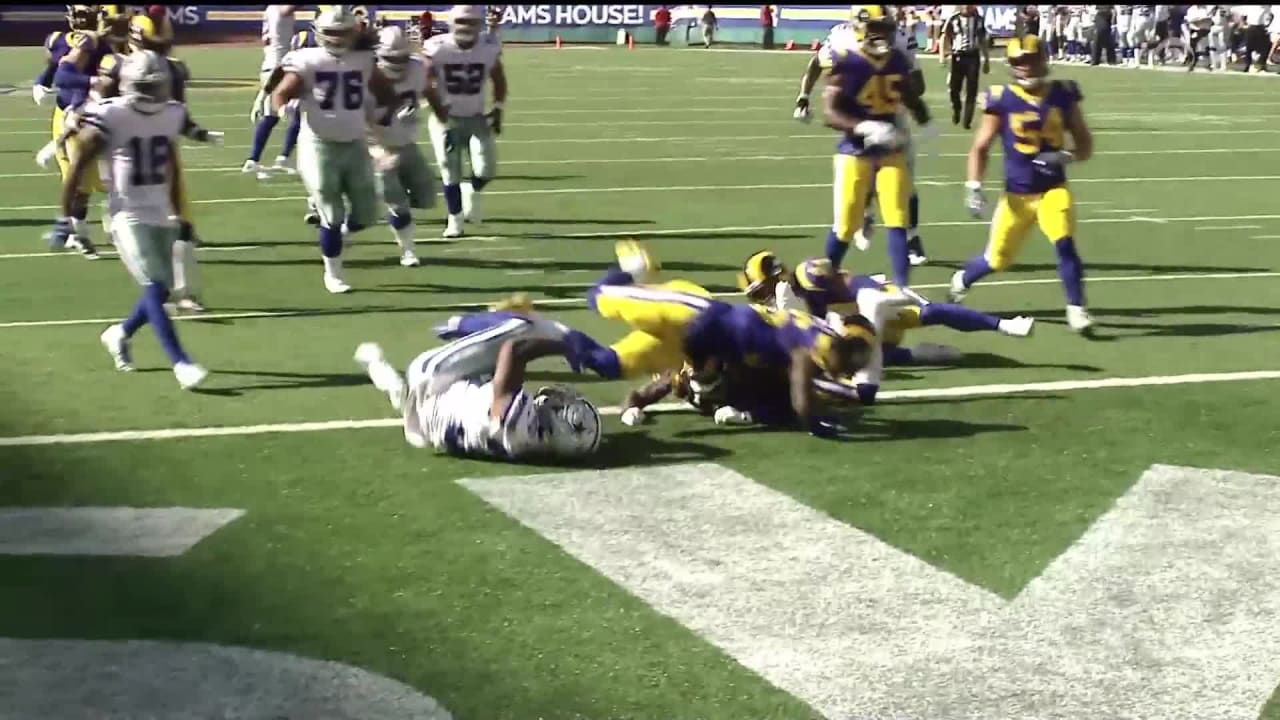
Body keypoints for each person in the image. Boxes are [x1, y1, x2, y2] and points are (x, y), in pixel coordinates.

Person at [66, 51, 209, 388]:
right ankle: (181, 362)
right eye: (145, 85)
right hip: (126, 213)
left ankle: (119, 333)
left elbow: (171, 165)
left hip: (159, 209)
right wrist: (64, 217)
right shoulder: (112, 113)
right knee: (155, 285)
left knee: (160, 292)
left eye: (155, 85)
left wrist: (178, 210)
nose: (151, 92)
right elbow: (79, 157)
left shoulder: (172, 113)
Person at [271, 6, 427, 294]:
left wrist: (384, 116)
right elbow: (280, 92)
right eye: (331, 32)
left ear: (353, 33)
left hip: (355, 143)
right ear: (320, 32)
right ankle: (334, 273)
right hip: (319, 143)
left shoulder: (364, 60)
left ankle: (341, 239)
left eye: (342, 32)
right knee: (331, 210)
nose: (336, 38)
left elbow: (386, 94)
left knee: (367, 213)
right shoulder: (308, 59)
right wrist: (284, 109)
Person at [952, 35, 1095, 336]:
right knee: (996, 259)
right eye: (1019, 62)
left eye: (1031, 60)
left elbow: (1085, 144)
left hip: (1053, 190)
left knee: (1064, 242)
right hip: (1016, 196)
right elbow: (980, 146)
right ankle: (963, 279)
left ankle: (1076, 307)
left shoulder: (1063, 93)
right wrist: (973, 185)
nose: (1026, 67)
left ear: (1043, 59)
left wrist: (1064, 156)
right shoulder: (1001, 97)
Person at [354, 323, 602, 461]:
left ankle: (461, 322)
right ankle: (380, 369)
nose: (560, 401)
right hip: (434, 422)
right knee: (409, 398)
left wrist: (565, 345)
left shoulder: (519, 427)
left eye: (564, 409)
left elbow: (513, 349)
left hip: (433, 377)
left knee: (523, 327)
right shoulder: (533, 443)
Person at [423, 5, 507, 238]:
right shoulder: (438, 47)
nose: (465, 27)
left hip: (476, 116)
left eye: (470, 22)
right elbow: (426, 79)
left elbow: (498, 78)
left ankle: (472, 189)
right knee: (450, 171)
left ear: (478, 24)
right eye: (461, 22)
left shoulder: (488, 46)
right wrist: (438, 108)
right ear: (452, 23)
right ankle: (455, 219)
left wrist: (498, 108)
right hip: (446, 119)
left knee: (487, 169)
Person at [369, 25, 434, 268]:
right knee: (397, 202)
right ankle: (408, 251)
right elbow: (355, 118)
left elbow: (428, 90)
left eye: (401, 57)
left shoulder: (417, 67)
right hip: (375, 146)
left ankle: (348, 226)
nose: (397, 62)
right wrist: (375, 150)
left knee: (426, 195)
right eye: (391, 57)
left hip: (406, 142)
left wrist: (441, 113)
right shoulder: (366, 74)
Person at [245, 4, 297, 179]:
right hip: (278, 67)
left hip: (275, 65)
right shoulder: (278, 10)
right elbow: (286, 10)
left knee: (276, 116)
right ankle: (262, 159)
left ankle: (260, 159)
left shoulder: (270, 9)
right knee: (293, 114)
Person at [940, 5, 989, 129]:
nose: (966, 7)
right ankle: (957, 108)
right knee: (954, 88)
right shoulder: (953, 19)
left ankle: (967, 120)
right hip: (958, 56)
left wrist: (986, 59)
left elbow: (982, 39)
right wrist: (942, 55)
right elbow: (944, 36)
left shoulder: (978, 19)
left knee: (971, 89)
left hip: (973, 56)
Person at [1242, 4, 1272, 72]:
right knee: (1249, 47)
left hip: (1261, 27)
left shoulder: (1266, 7)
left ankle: (1262, 65)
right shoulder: (1250, 7)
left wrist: (1268, 25)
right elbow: (1244, 15)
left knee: (1266, 47)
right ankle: (1248, 65)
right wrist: (1244, 24)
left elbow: (1270, 15)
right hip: (1252, 26)